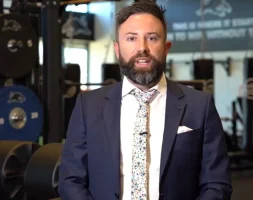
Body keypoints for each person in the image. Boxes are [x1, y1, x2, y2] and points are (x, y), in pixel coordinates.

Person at [58, 1, 232, 200]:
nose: (142, 48)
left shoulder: (200, 106)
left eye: (152, 38)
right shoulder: (88, 105)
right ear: (117, 49)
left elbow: (217, 184)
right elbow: (71, 180)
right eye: (131, 38)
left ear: (166, 48)